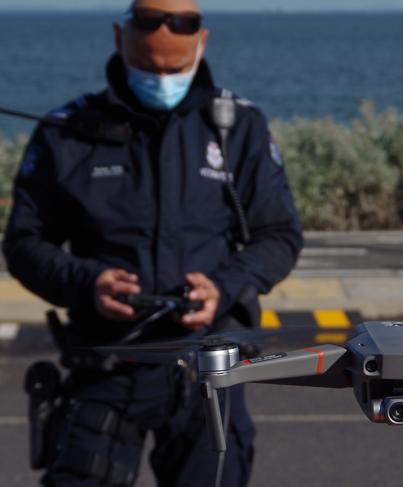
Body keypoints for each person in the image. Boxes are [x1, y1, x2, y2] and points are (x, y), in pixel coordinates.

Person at [2, 0, 303, 485]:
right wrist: (88, 283)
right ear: (120, 41)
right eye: (147, 67)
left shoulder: (239, 127)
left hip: (209, 367)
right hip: (105, 364)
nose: (161, 79)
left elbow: (279, 236)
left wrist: (222, 288)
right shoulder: (68, 131)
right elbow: (24, 243)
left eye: (175, 68)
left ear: (202, 43)